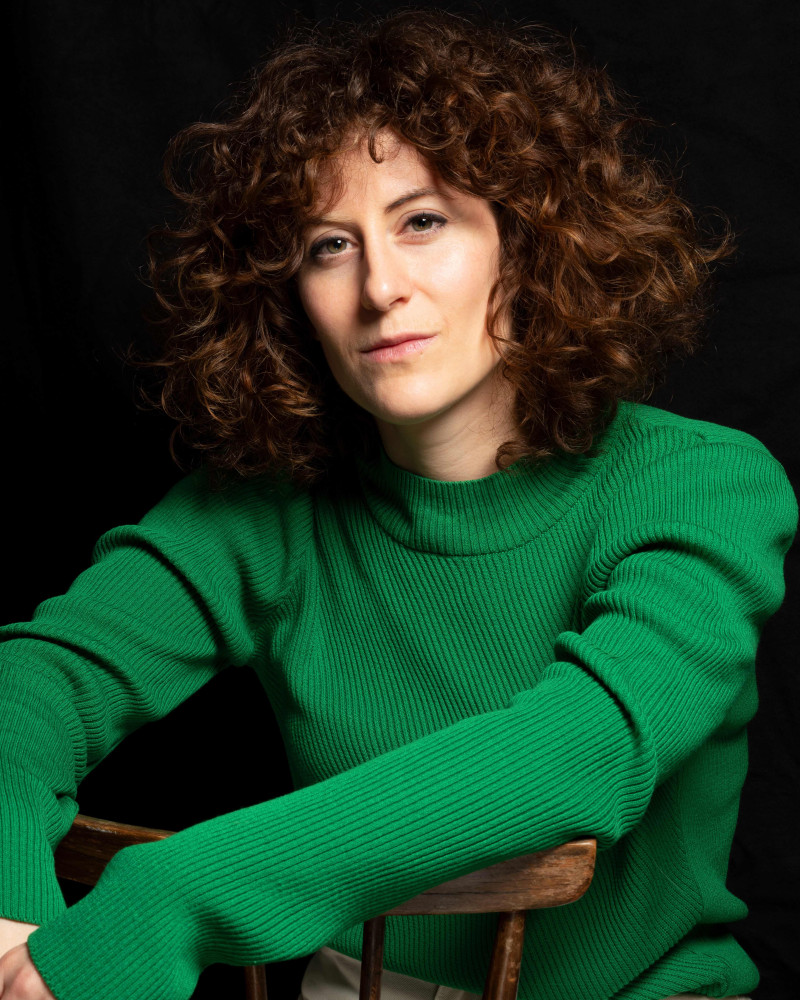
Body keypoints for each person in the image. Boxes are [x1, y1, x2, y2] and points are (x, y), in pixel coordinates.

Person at [0, 8, 796, 1000]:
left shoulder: (701, 484)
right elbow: (34, 686)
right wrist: (11, 913)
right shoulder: (267, 509)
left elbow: (583, 749)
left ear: (523, 239)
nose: (380, 288)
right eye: (329, 245)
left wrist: (167, 899)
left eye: (422, 222)